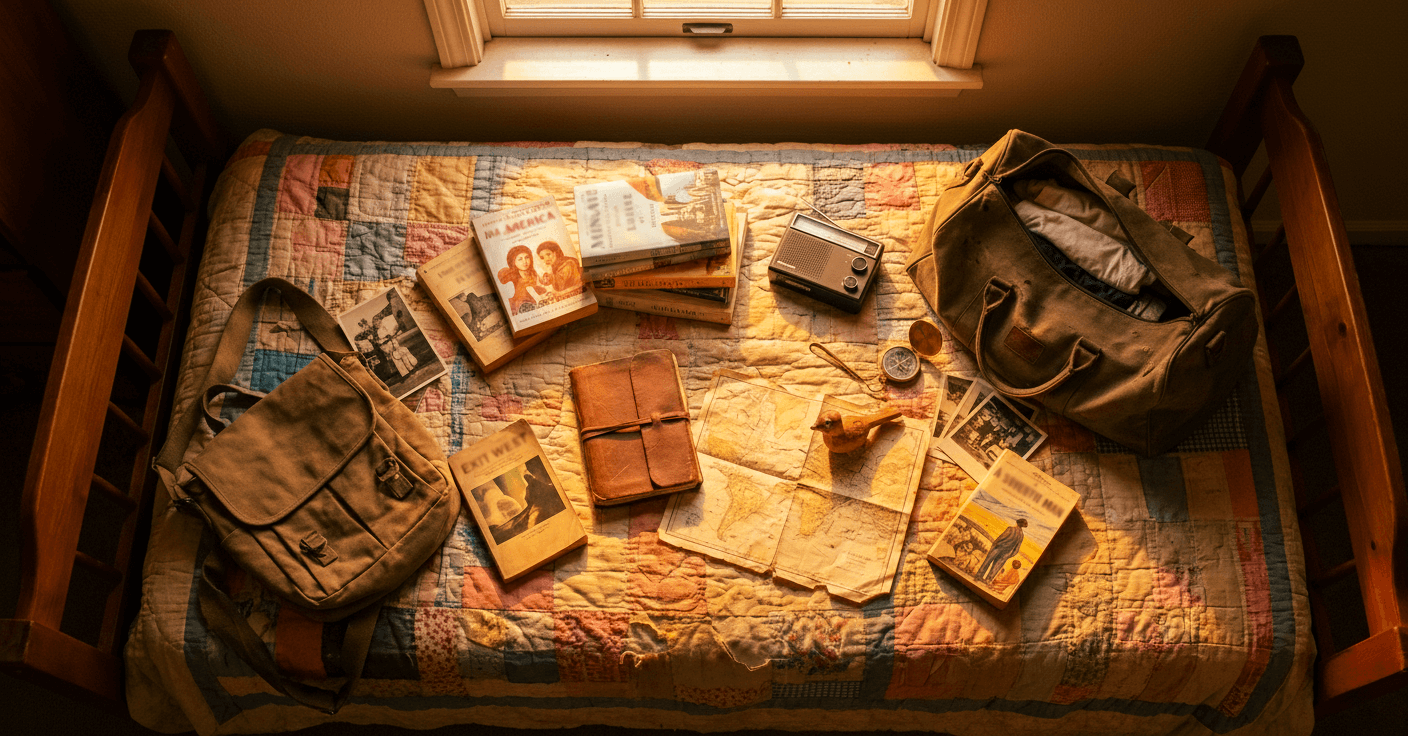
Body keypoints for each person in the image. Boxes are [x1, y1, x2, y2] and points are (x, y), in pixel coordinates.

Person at [975, 518, 1027, 582]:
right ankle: (988, 580)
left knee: (987, 561)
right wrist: (1009, 555)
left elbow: (1001, 537)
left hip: (998, 548)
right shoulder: (1021, 535)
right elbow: (1017, 549)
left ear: (1017, 523)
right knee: (996, 566)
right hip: (1006, 553)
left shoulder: (1011, 529)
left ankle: (978, 576)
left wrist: (994, 545)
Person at [497, 245, 544, 314]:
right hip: (520, 308)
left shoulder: (534, 274)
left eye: (527, 257)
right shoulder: (511, 276)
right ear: (514, 262)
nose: (525, 262)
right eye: (520, 259)